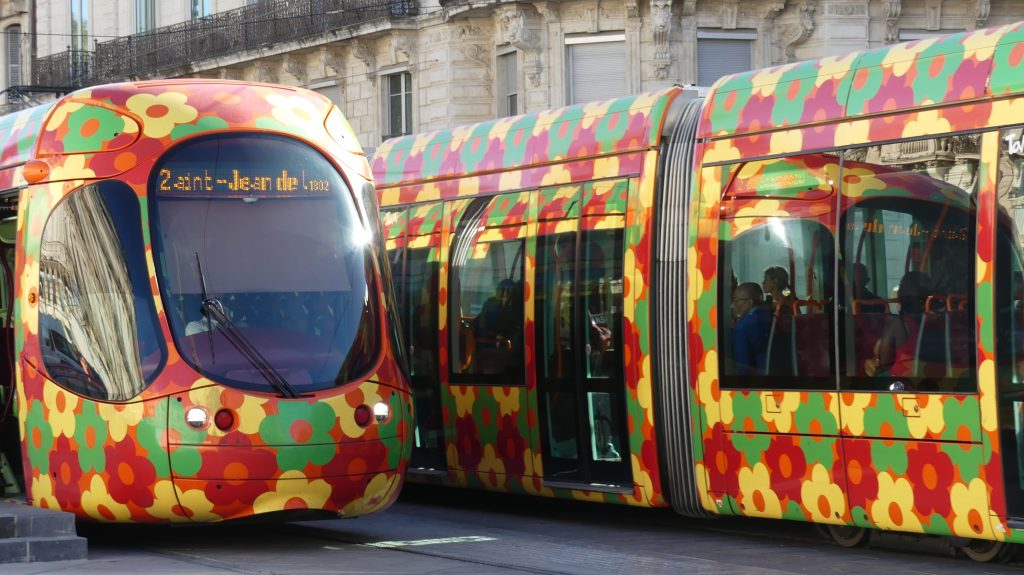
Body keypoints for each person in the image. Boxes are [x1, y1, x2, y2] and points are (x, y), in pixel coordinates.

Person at [864, 271, 930, 377]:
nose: (899, 291)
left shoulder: (895, 323)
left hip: (904, 377)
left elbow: (884, 360)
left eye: (902, 287)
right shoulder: (935, 319)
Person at [731, 282, 773, 375]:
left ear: (749, 302)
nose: (732, 305)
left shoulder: (741, 328)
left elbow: (743, 368)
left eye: (735, 300)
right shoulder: (771, 315)